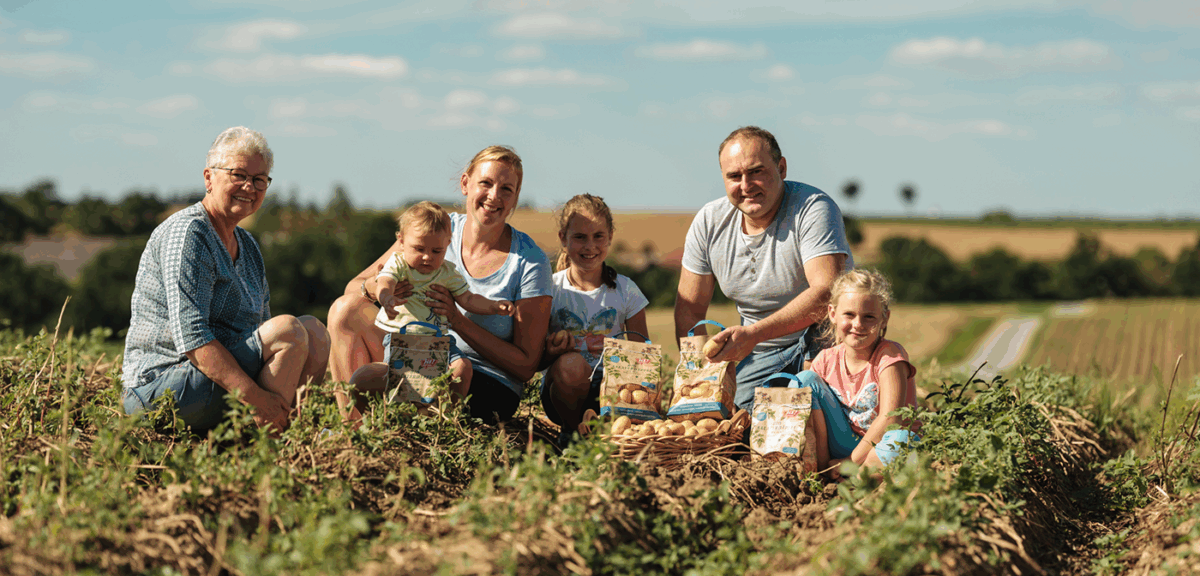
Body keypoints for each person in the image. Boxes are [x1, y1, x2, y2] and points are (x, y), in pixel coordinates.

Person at [122, 126, 330, 432]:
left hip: (213, 381)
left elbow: (263, 330)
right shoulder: (189, 233)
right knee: (288, 330)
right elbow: (192, 339)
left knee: (314, 332)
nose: (249, 187)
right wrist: (256, 398)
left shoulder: (247, 245)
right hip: (162, 387)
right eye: (238, 175)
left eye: (260, 180)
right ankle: (269, 441)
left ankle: (288, 430)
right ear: (208, 178)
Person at [326, 146, 552, 423]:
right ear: (466, 183)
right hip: (412, 350)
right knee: (344, 311)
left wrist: (457, 320)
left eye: (507, 189)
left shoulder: (530, 261)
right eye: (486, 183)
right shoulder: (432, 231)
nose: (495, 196)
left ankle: (423, 425)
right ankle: (353, 430)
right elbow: (355, 285)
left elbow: (526, 365)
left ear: (516, 197)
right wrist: (379, 289)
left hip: (480, 380)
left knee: (450, 372)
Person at [675, 125, 854, 412]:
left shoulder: (813, 207)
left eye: (756, 171)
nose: (746, 185)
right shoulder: (709, 222)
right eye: (734, 176)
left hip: (823, 338)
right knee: (741, 419)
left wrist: (753, 334)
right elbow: (689, 309)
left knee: (812, 415)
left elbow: (826, 292)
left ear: (781, 168)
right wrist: (701, 375)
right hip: (760, 353)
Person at [334, 201, 514, 419]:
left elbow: (468, 299)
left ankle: (445, 418)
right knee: (365, 378)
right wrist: (386, 297)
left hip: (440, 343)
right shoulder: (398, 264)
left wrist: (494, 306)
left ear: (447, 244)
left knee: (462, 368)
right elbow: (385, 281)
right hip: (402, 341)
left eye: (436, 250)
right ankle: (376, 420)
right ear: (401, 241)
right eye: (419, 249)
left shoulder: (447, 273)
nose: (427, 257)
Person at [540, 194, 649, 447]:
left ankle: (610, 435)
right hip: (563, 395)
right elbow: (534, 361)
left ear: (610, 236)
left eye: (598, 236)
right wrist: (552, 351)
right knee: (572, 365)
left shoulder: (626, 290)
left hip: (613, 395)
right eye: (579, 237)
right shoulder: (550, 290)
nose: (590, 246)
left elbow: (641, 356)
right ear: (563, 239)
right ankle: (572, 438)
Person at [791, 269, 921, 471]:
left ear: (884, 318)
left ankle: (859, 481)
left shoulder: (889, 356)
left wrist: (849, 463)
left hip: (879, 446)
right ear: (833, 314)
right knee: (802, 381)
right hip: (843, 443)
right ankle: (822, 470)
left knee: (900, 441)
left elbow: (891, 417)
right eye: (849, 315)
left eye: (869, 316)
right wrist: (829, 466)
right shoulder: (825, 360)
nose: (858, 324)